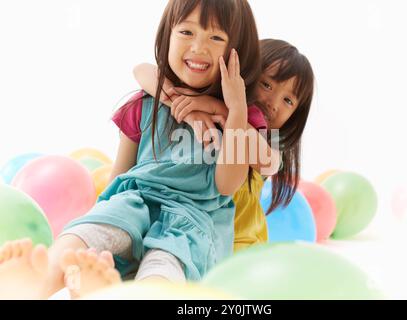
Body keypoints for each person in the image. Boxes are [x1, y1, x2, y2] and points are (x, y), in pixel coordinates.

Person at [0, 0, 261, 300]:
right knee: (93, 230)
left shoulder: (237, 119)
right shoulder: (143, 103)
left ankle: (119, 290)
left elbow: (227, 185)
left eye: (216, 38)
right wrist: (101, 215)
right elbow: (118, 178)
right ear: (167, 35)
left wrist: (237, 109)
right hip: (133, 200)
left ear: (237, 52)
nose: (199, 47)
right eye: (187, 32)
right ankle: (41, 278)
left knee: (165, 266)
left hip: (189, 223)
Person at [133, 38, 315, 252]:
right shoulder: (207, 112)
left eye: (288, 101)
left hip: (241, 244)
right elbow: (143, 71)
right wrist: (185, 105)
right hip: (192, 234)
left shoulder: (266, 138)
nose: (272, 103)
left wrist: (223, 109)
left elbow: (269, 163)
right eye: (266, 85)